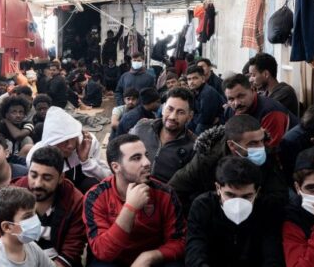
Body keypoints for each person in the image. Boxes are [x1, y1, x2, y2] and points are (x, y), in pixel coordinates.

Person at [84, 134, 185, 266]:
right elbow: (103, 251)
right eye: (136, 158)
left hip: (152, 260)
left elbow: (179, 241)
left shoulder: (165, 193)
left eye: (146, 155)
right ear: (116, 167)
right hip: (114, 259)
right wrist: (130, 208)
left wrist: (149, 257)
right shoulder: (96, 197)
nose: (147, 162)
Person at [168, 115, 288, 215]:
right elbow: (174, 189)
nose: (260, 148)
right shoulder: (207, 159)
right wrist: (201, 211)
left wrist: (248, 200)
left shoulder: (267, 155)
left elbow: (279, 196)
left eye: (262, 141)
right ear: (232, 145)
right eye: (253, 144)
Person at [186, 156, 284, 266]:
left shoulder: (267, 208)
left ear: (257, 192)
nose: (238, 203)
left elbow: (272, 254)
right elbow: (195, 252)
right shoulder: (203, 206)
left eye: (246, 196)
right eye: (230, 195)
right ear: (218, 188)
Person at [13, 146, 86, 267]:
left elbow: (72, 250)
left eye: (47, 178)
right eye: (33, 175)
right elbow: (4, 235)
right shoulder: (15, 192)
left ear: (61, 178)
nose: (37, 184)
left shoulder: (75, 201)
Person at [26, 107, 110, 194]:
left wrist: (86, 161)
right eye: (64, 141)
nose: (70, 146)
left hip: (86, 193)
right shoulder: (36, 156)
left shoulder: (88, 142)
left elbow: (108, 177)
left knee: (92, 184)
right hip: (57, 195)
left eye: (72, 138)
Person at [0, 187, 54, 267]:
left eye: (34, 214)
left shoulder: (31, 247)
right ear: (7, 227)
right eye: (27, 217)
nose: (34, 219)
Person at [130, 88, 195, 183]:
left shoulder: (193, 147)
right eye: (170, 109)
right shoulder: (142, 127)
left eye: (180, 112)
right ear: (163, 108)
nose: (172, 117)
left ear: (190, 116)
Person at [223, 74, 298, 148]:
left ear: (252, 90)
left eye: (241, 96)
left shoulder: (271, 112)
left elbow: (272, 151)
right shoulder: (230, 111)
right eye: (231, 99)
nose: (236, 103)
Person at [248, 53, 300, 117]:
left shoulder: (285, 93)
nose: (250, 79)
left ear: (266, 74)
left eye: (253, 75)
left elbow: (261, 112)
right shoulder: (265, 93)